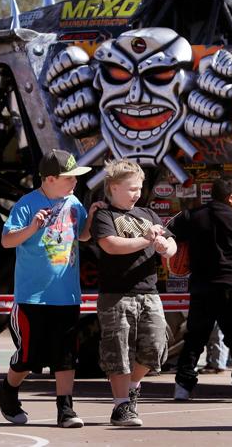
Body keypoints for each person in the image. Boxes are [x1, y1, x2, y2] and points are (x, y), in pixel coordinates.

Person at [0, 149, 101, 428]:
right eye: (69, 178)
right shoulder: (27, 204)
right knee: (29, 357)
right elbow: (6, 241)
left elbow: (83, 236)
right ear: (50, 179)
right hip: (33, 297)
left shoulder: (73, 202)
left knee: (66, 355)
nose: (75, 182)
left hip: (66, 295)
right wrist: (32, 228)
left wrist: (91, 217)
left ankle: (65, 409)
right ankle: (7, 390)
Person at [91, 159, 177, 427]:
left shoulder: (149, 215)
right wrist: (148, 240)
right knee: (118, 350)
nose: (137, 193)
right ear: (113, 187)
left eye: (139, 188)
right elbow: (112, 245)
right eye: (131, 189)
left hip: (149, 291)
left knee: (155, 347)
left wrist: (165, 246)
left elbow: (171, 243)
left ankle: (132, 389)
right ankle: (121, 407)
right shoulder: (104, 215)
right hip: (116, 294)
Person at [170, 178, 232, 401]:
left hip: (201, 287)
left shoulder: (192, 217)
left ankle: (183, 386)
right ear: (231, 197)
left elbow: (168, 232)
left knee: (195, 337)